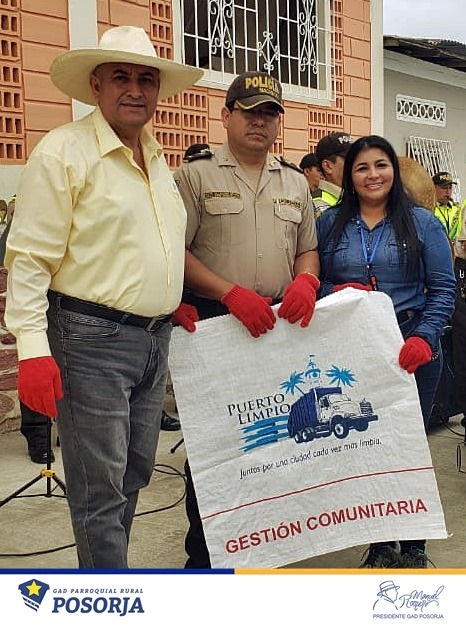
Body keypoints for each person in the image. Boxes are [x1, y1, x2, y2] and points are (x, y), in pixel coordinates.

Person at [4, 25, 202, 568]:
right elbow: (30, 257)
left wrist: (168, 294)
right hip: (90, 339)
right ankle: (108, 592)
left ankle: (109, 575)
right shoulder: (63, 153)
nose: (135, 89)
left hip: (153, 338)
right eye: (121, 77)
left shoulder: (156, 157)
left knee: (134, 471)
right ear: (96, 86)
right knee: (100, 487)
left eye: (146, 79)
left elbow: (146, 242)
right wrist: (32, 348)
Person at [174, 70, 320, 568]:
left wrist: (306, 281)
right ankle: (205, 555)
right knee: (215, 444)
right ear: (226, 115)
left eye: (270, 113)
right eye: (250, 111)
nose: (260, 122)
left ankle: (264, 544)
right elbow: (175, 250)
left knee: (277, 438)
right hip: (216, 321)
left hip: (278, 324)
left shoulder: (295, 181)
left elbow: (307, 249)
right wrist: (229, 292)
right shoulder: (195, 176)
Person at [317, 135, 456, 568]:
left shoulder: (422, 223)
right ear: (349, 176)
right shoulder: (329, 223)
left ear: (393, 172)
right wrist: (334, 290)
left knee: (409, 447)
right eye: (362, 167)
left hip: (412, 346)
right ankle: (379, 541)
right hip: (354, 350)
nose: (372, 174)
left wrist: (425, 337)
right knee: (368, 447)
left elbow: (444, 289)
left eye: (381, 165)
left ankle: (414, 543)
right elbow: (311, 282)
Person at [313, 131, 352, 216]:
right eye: (349, 159)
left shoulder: (356, 197)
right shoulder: (318, 205)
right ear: (327, 166)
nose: (355, 163)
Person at [432, 171, 462, 245]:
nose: (448, 191)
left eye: (450, 187)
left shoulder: (458, 209)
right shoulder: (429, 210)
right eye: (444, 188)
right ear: (433, 188)